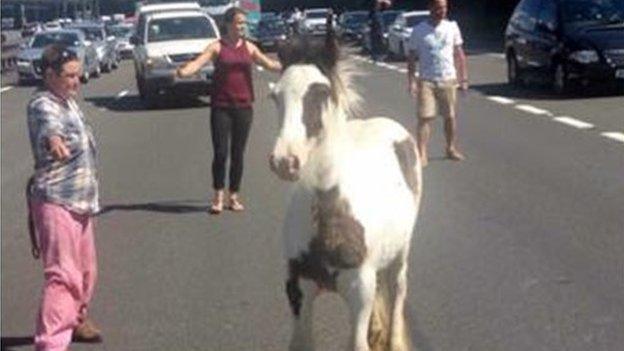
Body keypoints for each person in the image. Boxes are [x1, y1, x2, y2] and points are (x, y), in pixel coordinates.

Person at [26, 43, 102, 350]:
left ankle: (76, 319)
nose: (76, 82)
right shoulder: (43, 104)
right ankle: (51, 343)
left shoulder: (68, 102)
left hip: (81, 199)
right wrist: (54, 140)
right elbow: (50, 128)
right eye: (69, 76)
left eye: (78, 75)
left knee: (86, 271)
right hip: (56, 199)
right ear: (49, 75)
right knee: (62, 275)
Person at [176, 7, 281, 214]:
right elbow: (198, 63)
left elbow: (268, 64)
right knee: (221, 152)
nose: (243, 26)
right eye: (239, 23)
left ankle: (234, 196)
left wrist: (291, 64)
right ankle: (218, 196)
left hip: (243, 106)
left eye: (244, 23)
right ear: (228, 24)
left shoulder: (249, 48)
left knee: (238, 154)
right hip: (221, 106)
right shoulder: (217, 47)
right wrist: (184, 71)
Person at [407, 0, 468, 167]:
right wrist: (411, 81)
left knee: (449, 117)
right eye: (438, 8)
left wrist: (463, 79)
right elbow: (412, 57)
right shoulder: (419, 31)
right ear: (430, 8)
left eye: (444, 7)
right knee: (425, 117)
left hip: (448, 79)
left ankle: (450, 148)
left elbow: (459, 54)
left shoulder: (452, 27)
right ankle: (422, 152)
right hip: (427, 80)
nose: (442, 11)